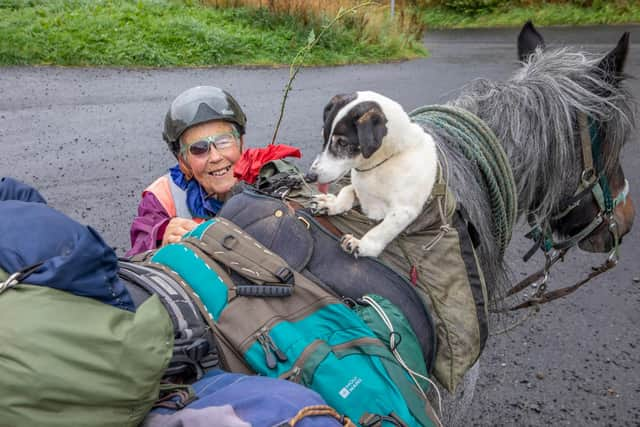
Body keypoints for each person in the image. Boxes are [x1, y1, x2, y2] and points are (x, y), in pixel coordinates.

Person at [127, 86, 300, 256]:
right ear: (183, 160)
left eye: (224, 141)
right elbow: (134, 261)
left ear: (241, 142)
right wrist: (160, 237)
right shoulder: (162, 197)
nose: (215, 157)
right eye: (198, 148)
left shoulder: (273, 179)